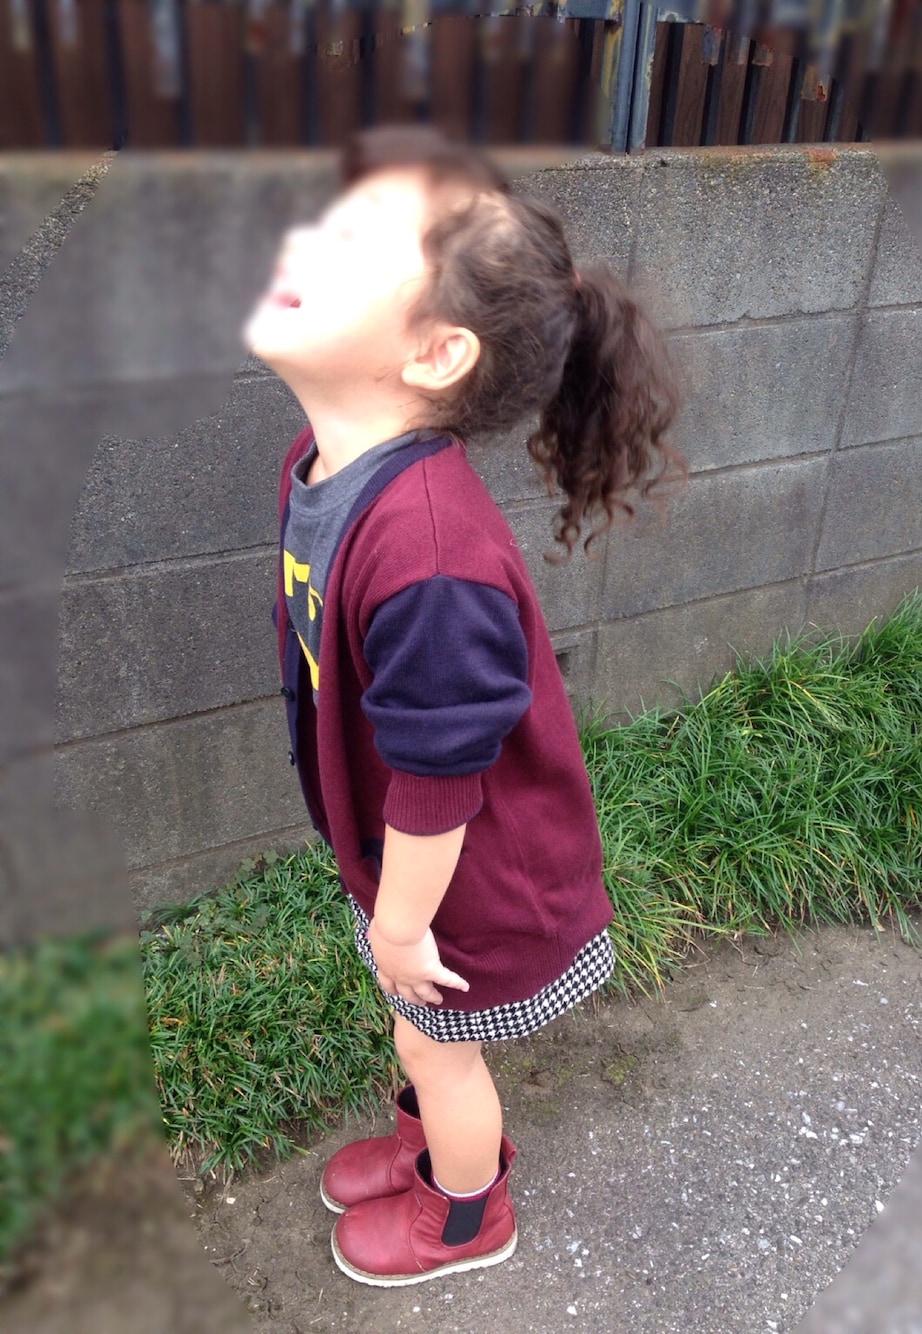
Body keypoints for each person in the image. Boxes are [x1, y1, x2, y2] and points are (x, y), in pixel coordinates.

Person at [242, 124, 684, 1288]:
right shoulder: (326, 467)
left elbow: (441, 773)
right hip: (406, 868)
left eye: (352, 243)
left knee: (440, 1046)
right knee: (418, 1032)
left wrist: (398, 925)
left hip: (465, 888)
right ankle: (431, 1146)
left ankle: (466, 1210)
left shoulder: (428, 552)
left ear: (436, 352)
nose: (301, 239)